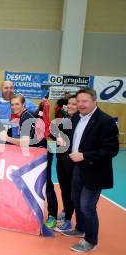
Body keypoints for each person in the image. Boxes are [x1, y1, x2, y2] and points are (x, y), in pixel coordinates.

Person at [61, 88, 119, 252]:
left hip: (95, 170)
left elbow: (111, 149)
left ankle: (91, 240)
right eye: (78, 101)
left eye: (85, 101)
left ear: (94, 101)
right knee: (76, 199)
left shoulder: (105, 121)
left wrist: (85, 156)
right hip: (76, 167)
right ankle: (80, 228)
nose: (81, 104)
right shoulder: (76, 118)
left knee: (87, 206)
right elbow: (75, 140)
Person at [51, 95, 78, 233]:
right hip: (61, 159)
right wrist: (58, 134)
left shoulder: (80, 121)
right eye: (70, 104)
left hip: (72, 161)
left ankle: (68, 220)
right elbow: (52, 132)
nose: (72, 106)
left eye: (75, 103)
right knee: (64, 189)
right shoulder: (66, 118)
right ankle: (67, 211)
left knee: (71, 191)